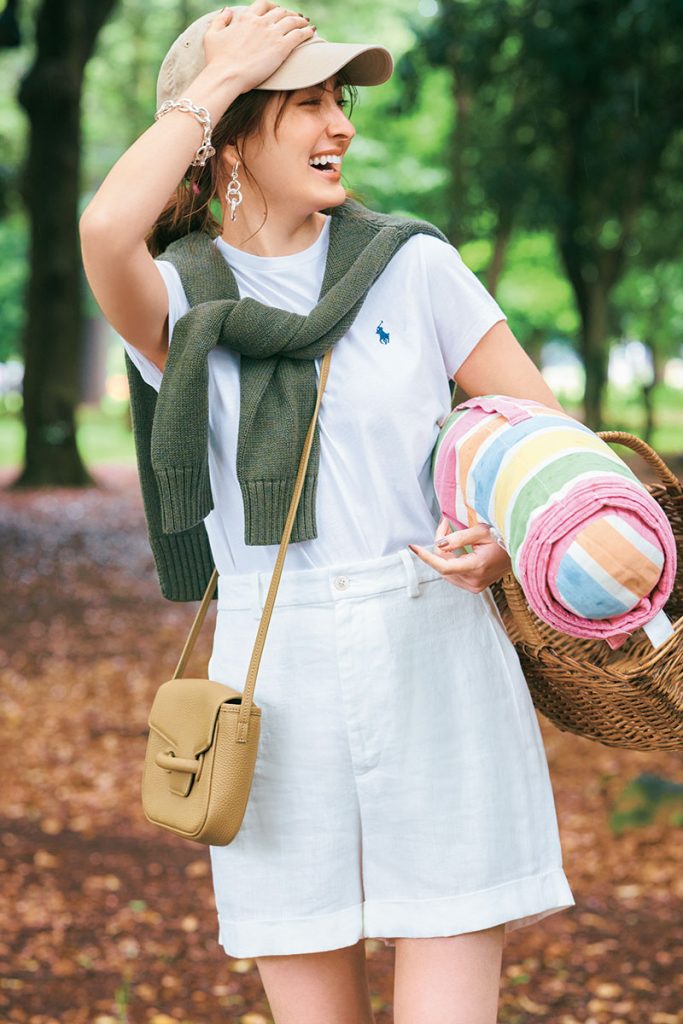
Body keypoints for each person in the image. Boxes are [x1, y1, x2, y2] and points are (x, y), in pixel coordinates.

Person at [79, 4, 575, 1022]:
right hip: (275, 677)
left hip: (430, 646)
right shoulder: (174, 299)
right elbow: (103, 225)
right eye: (304, 103)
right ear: (226, 134)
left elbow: (540, 440)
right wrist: (214, 81)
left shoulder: (409, 263)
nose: (338, 125)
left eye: (337, 100)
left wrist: (501, 538)